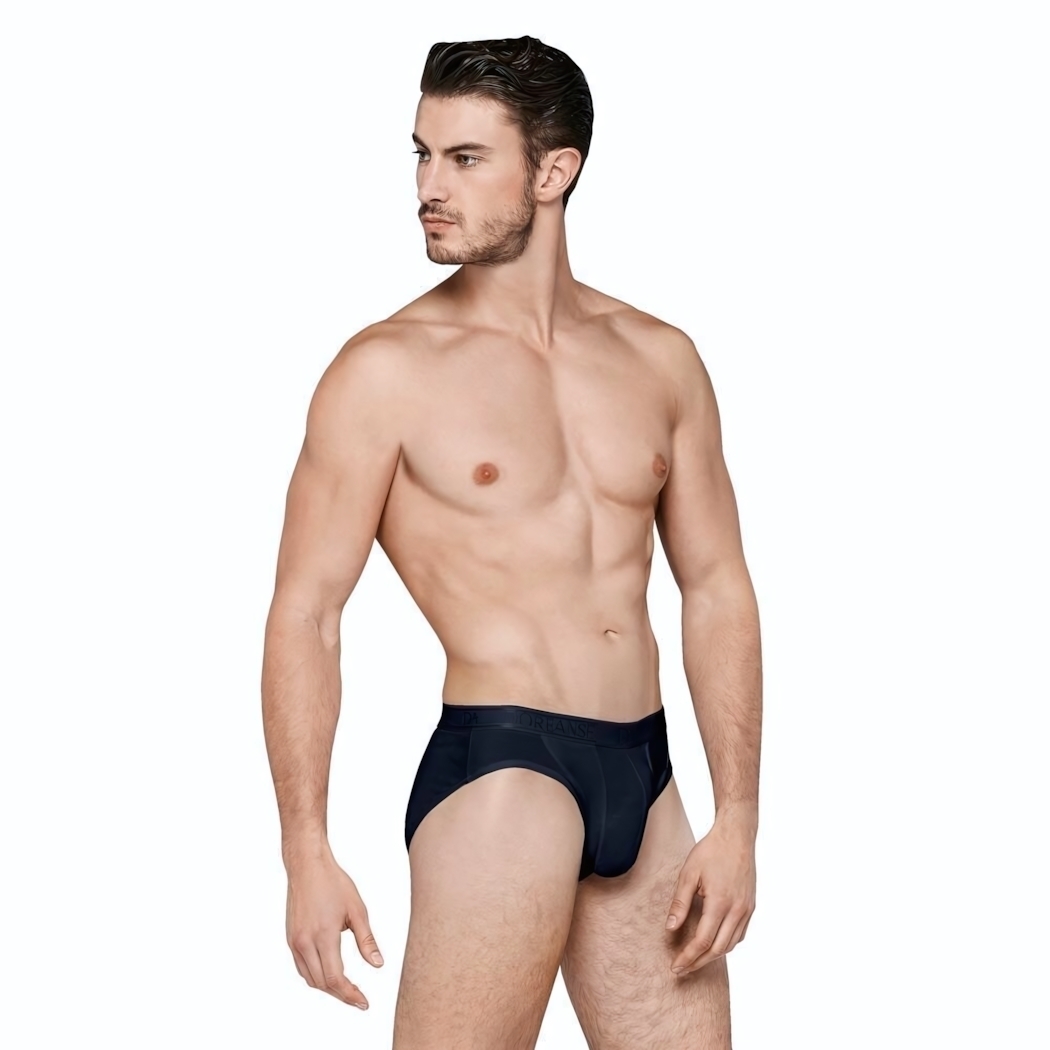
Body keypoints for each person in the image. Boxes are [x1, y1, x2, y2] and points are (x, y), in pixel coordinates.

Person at [261, 35, 762, 1050]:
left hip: (650, 779)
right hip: (503, 773)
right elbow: (307, 612)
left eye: (464, 158)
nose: (427, 187)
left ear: (552, 171)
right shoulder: (383, 372)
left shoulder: (661, 359)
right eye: (421, 154)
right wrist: (305, 850)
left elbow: (716, 586)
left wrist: (739, 818)